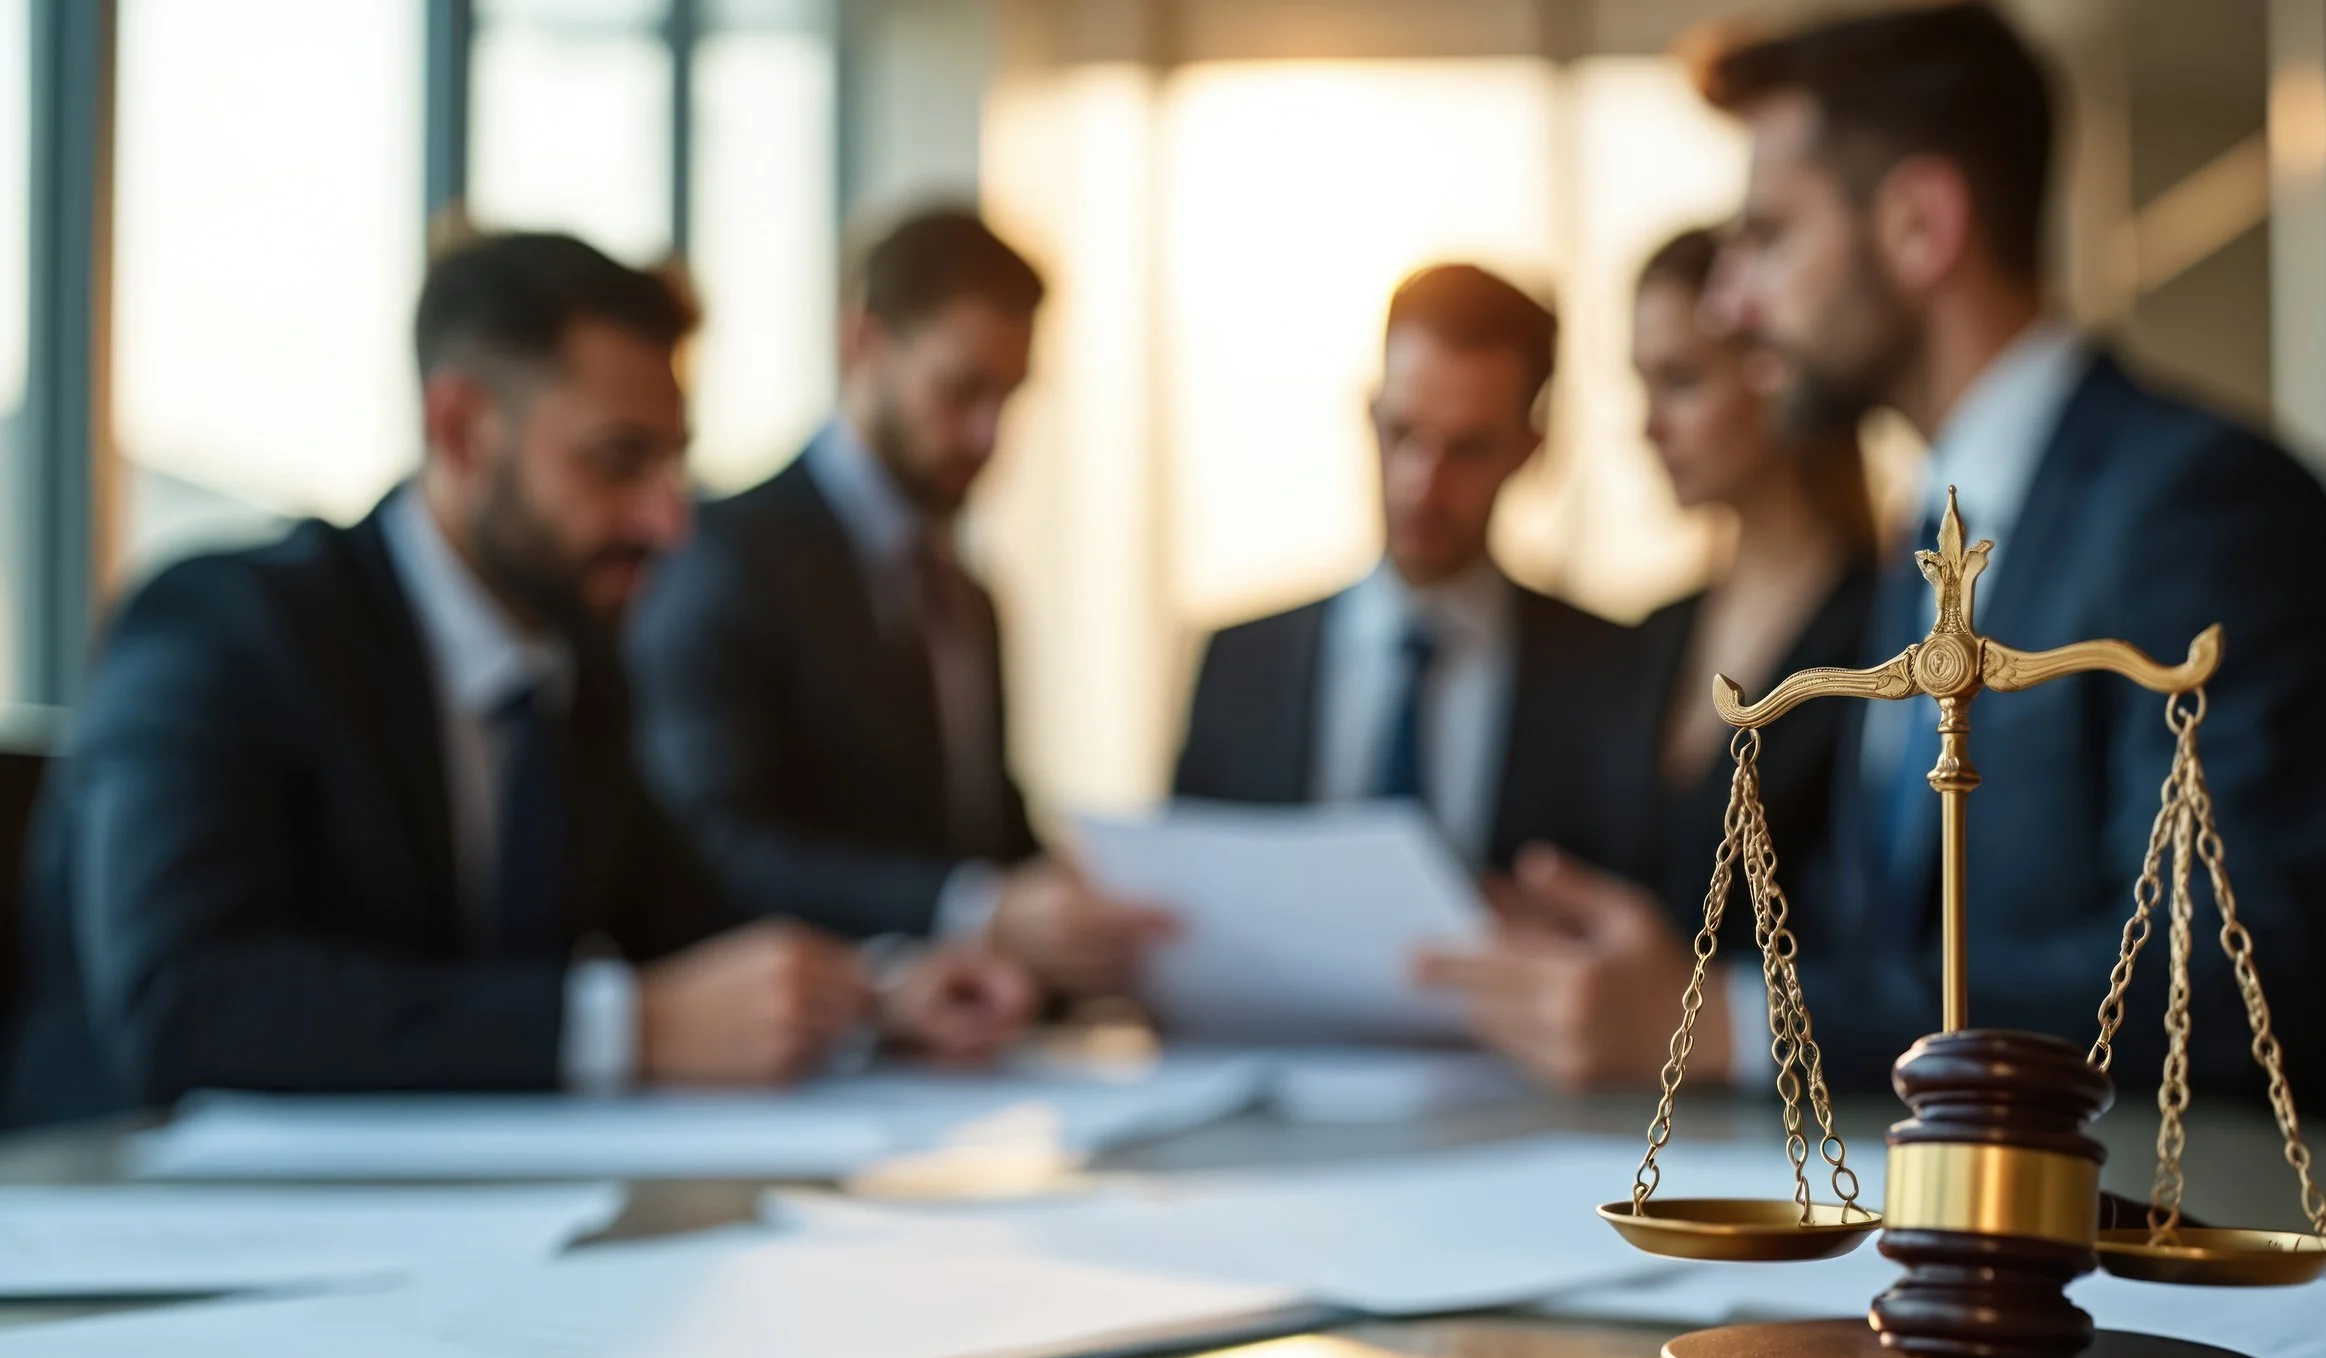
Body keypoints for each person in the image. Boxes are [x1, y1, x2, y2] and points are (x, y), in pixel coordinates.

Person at [1444, 2, 2326, 1116]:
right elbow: (1892, 945)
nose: (1731, 301)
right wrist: (1661, 972)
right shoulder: (1929, 543)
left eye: (1770, 236)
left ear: (1918, 226)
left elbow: (2230, 977)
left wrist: (1741, 1019)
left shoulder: (2204, 508)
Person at [4, 232, 1032, 1128]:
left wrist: (876, 991)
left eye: (673, 464)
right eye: (617, 461)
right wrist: (631, 1027)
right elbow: (186, 1004)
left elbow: (691, 917)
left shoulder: (572, 665)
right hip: (125, 1217)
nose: (668, 520)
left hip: (438, 1222)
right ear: (460, 429)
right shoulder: (225, 631)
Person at [630, 208, 1172, 1000]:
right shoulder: (726, 555)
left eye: (1010, 397)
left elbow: (982, 829)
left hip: (966, 1038)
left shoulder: (971, 598)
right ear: (865, 341)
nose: (987, 435)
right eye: (962, 390)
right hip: (794, 1038)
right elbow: (714, 846)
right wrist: (974, 910)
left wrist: (1080, 905)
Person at [1415, 229, 1879, 1087]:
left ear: (1775, 371)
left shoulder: (1886, 638)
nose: (1650, 425)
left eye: (1682, 381)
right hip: (1629, 1112)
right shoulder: (1652, 638)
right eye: (1642, 385)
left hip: (1813, 1114)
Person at [1172, 264, 1648, 878]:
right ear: (1368, 414)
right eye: (1401, 434)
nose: (1422, 484)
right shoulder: (1240, 664)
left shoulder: (1616, 677)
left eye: (1468, 449)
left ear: (1529, 450)